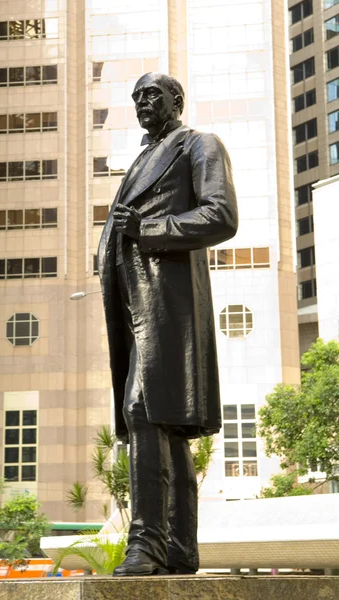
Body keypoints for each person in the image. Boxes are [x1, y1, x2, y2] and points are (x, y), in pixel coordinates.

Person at [97, 72, 238, 577]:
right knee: (163, 424)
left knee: (144, 409)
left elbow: (221, 215)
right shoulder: (140, 158)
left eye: (152, 95)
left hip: (169, 305)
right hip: (134, 304)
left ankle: (148, 545)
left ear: (177, 100)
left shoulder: (197, 145)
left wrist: (151, 228)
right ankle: (179, 550)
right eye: (136, 97)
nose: (142, 103)